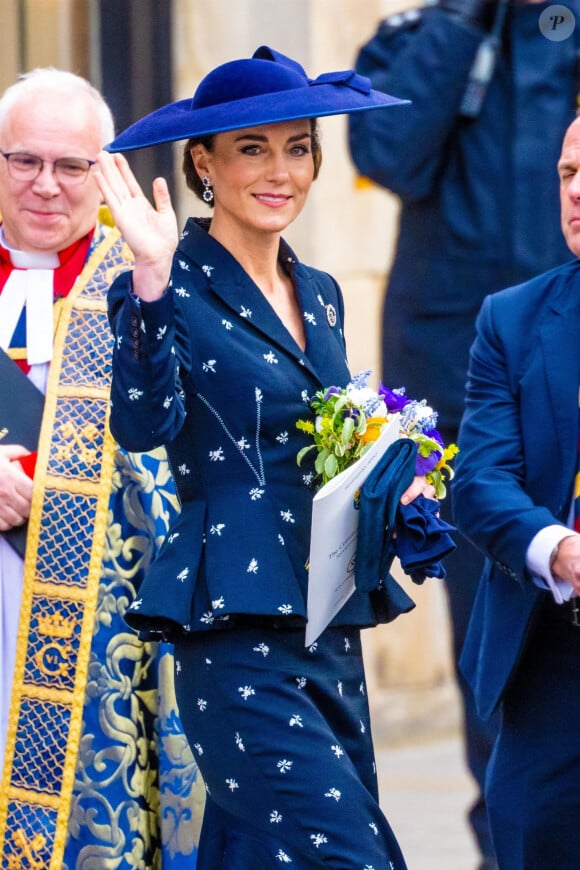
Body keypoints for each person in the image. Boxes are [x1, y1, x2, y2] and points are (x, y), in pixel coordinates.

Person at [96, 44, 444, 868]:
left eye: (297, 147)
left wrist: (401, 479)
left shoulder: (320, 291)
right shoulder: (166, 282)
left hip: (328, 621)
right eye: (252, 148)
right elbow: (144, 424)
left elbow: (325, 448)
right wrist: (147, 278)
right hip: (233, 629)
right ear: (203, 165)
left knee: (257, 855)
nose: (279, 170)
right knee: (351, 857)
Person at [347, 2, 580, 865]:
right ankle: (506, 845)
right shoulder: (420, 34)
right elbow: (386, 153)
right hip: (465, 378)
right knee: (499, 638)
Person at [0, 68, 202, 869]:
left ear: (106, 170)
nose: (46, 186)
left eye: (71, 166)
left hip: (96, 619)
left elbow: (179, 445)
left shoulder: (146, 276)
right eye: (23, 161)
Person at [451, 114, 580, 868]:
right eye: (567, 173)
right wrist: (560, 551)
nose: (576, 192)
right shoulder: (514, 318)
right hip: (551, 663)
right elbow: (480, 480)